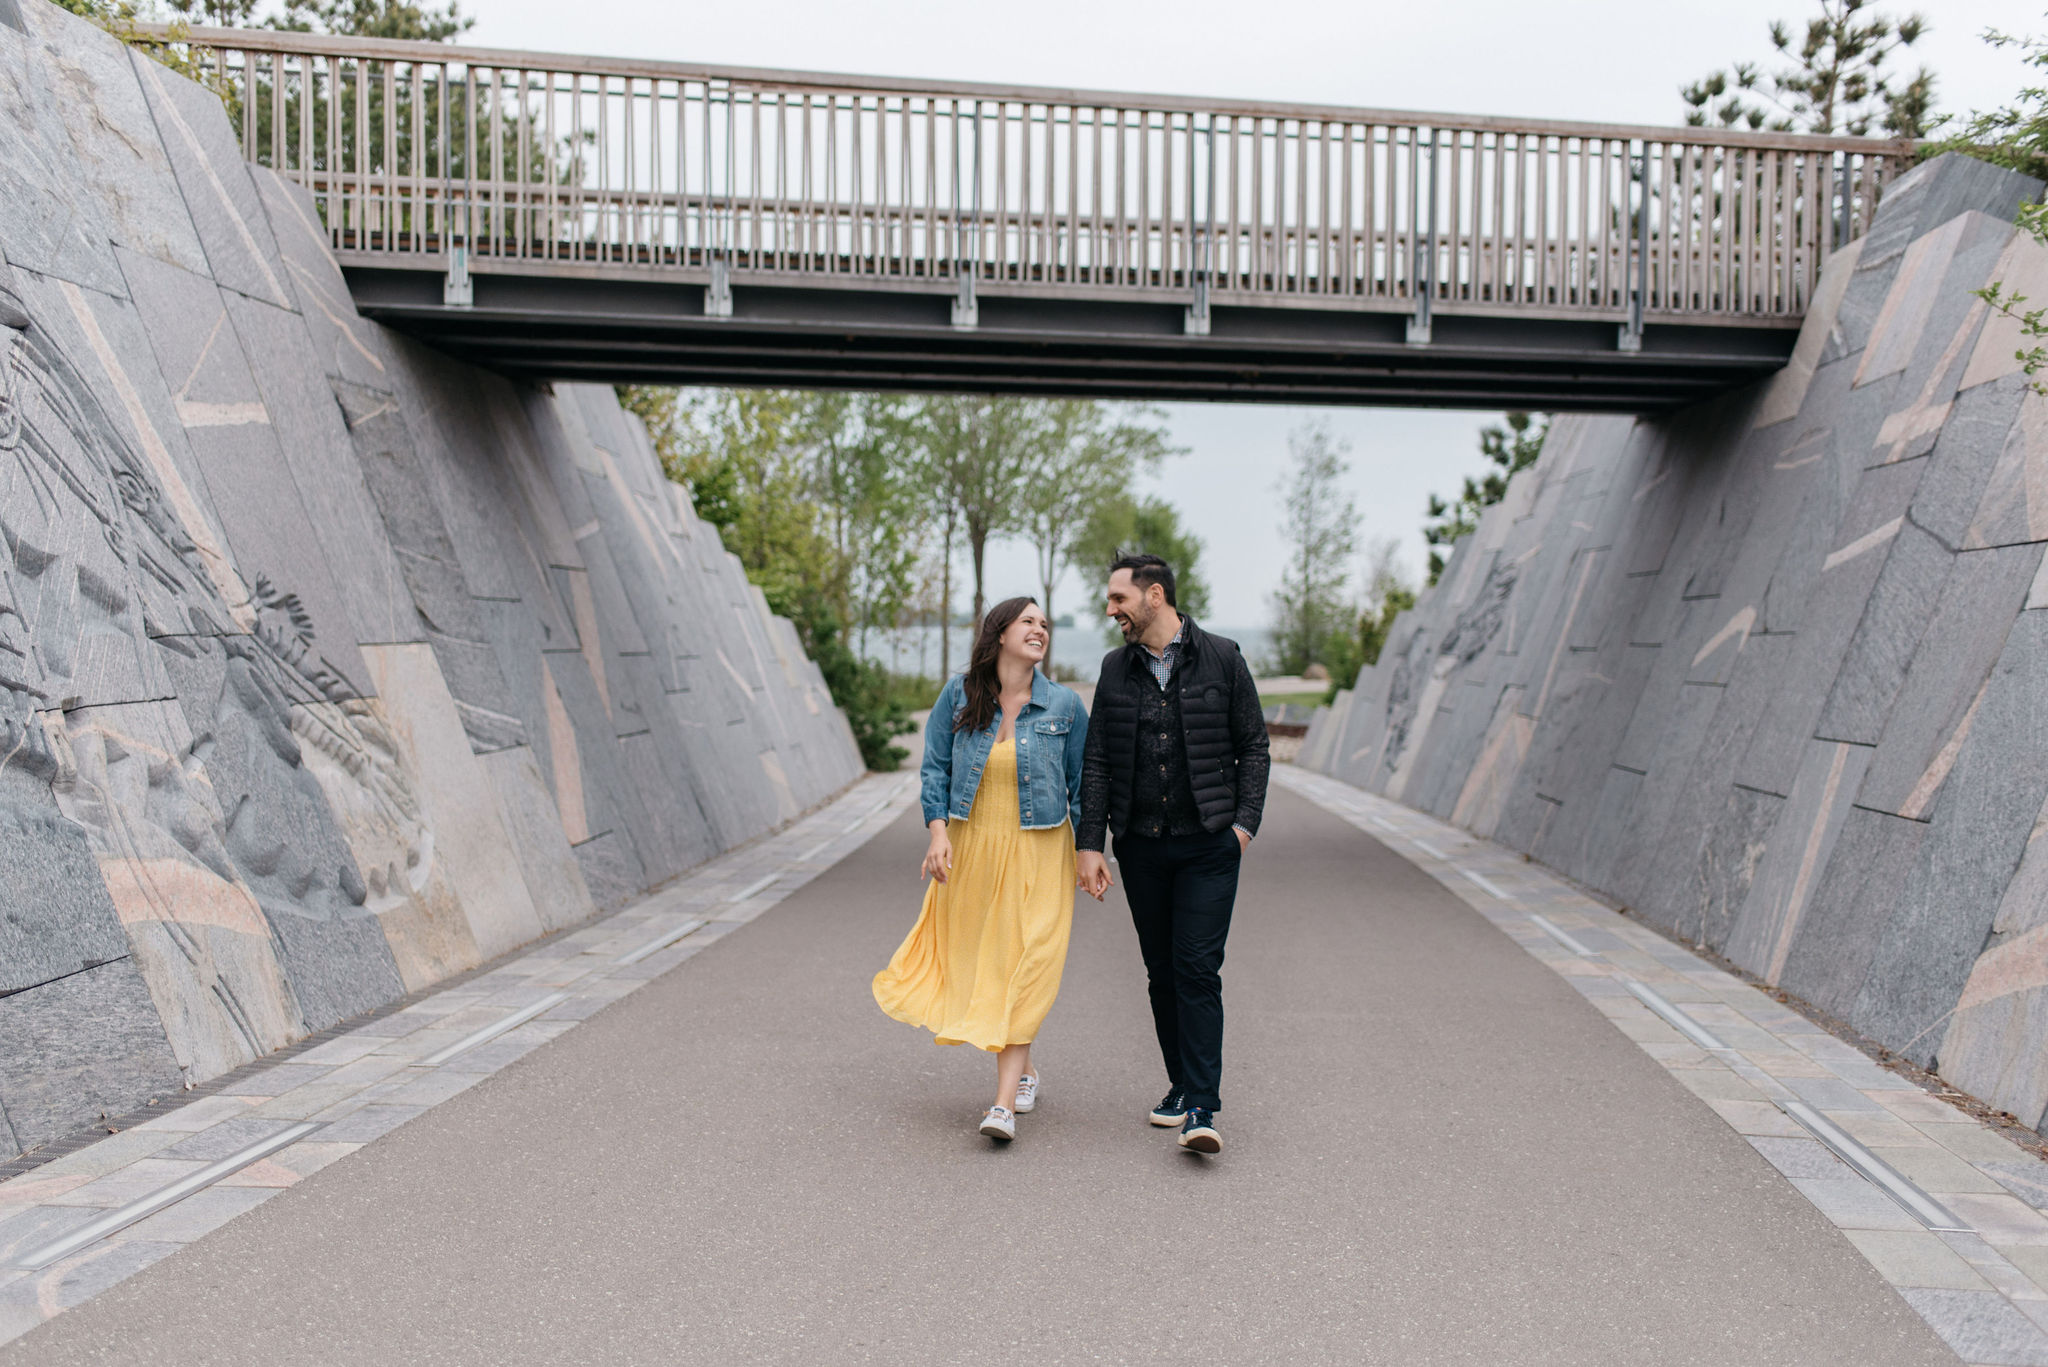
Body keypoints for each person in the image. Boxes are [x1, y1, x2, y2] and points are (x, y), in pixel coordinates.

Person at [873, 597, 1091, 1142]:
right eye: (1028, 621)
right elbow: (936, 768)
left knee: (1029, 960)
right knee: (987, 964)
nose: (1040, 630)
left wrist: (1090, 851)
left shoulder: (1065, 705)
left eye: (1045, 624)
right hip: (972, 846)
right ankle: (1025, 1071)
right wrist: (938, 833)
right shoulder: (960, 694)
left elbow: (1086, 786)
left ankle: (1001, 1106)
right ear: (999, 634)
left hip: (1041, 849)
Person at [1076, 553, 1269, 1156]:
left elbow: (1254, 748)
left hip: (1209, 843)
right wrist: (1091, 844)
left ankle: (1203, 1108)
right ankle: (1182, 1084)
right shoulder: (1115, 669)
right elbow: (1099, 761)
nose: (1110, 611)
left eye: (1118, 600)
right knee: (1162, 972)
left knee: (1195, 968)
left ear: (1154, 596)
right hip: (1142, 847)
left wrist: (1243, 828)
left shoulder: (1223, 657)